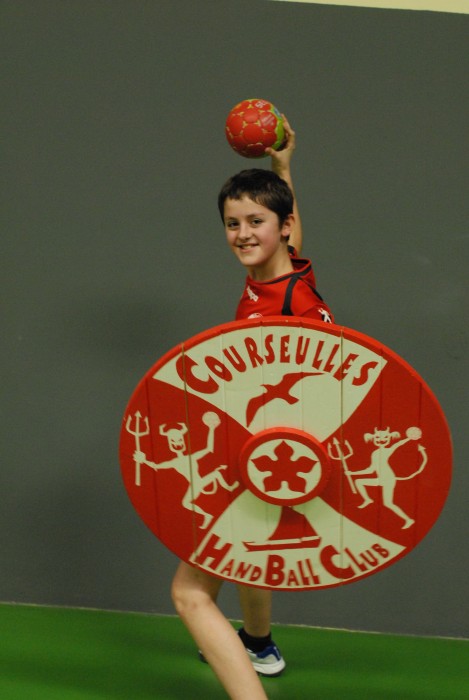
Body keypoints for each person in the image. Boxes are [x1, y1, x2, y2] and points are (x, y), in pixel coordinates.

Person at [171, 117, 334, 700]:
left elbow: (323, 392)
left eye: (255, 223)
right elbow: (288, 231)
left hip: (271, 458)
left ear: (280, 227)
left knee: (190, 594)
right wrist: (282, 168)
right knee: (246, 556)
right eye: (232, 223)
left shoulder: (291, 309)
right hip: (265, 457)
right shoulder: (282, 274)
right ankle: (259, 645)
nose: (242, 235)